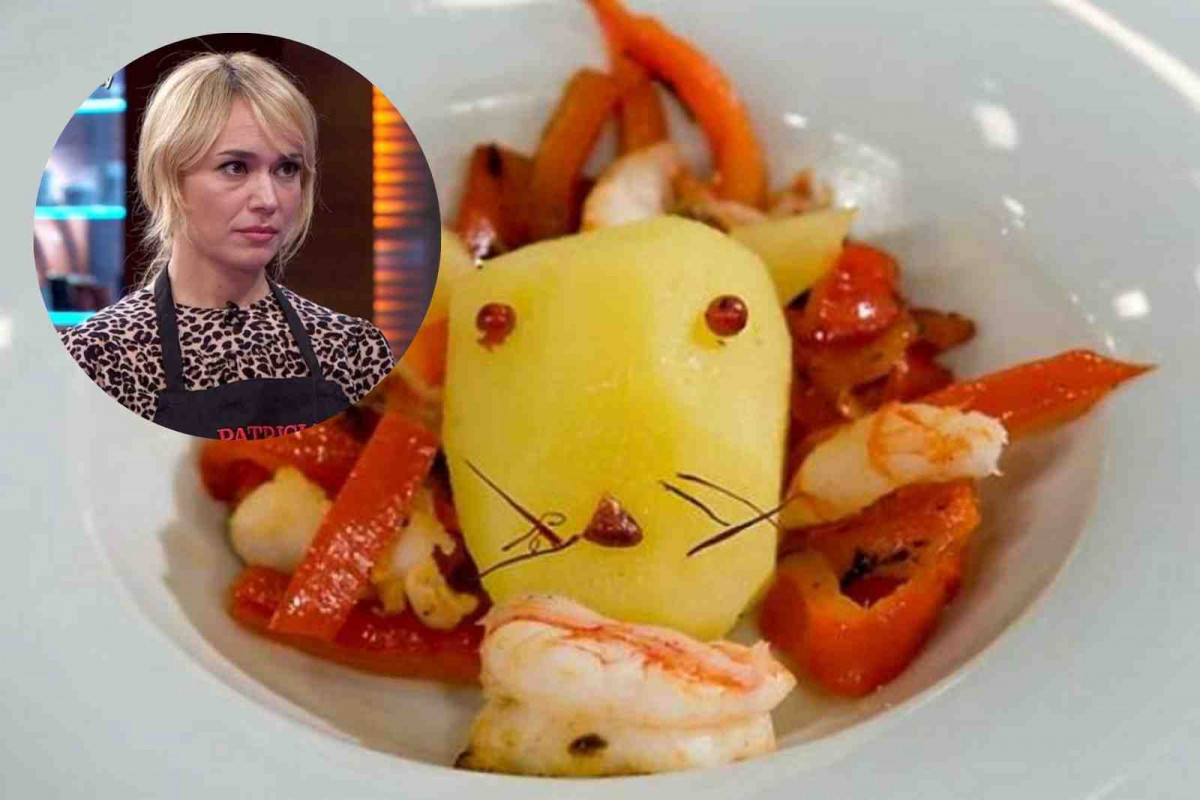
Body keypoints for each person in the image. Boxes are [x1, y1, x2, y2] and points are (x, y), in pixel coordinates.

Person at [60, 52, 395, 439]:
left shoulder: (352, 350)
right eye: (235, 167)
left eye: (286, 169)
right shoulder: (100, 356)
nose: (268, 199)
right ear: (169, 176)